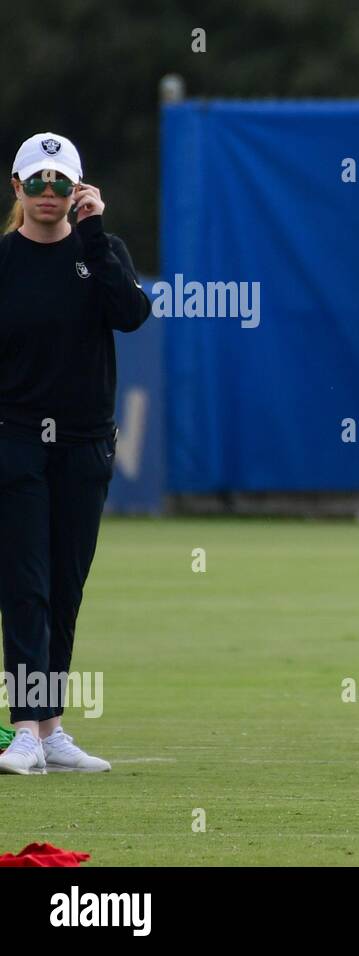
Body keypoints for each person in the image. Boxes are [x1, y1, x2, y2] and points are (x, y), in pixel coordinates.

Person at [0, 132, 151, 773]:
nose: (48, 194)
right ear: (17, 188)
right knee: (25, 587)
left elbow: (132, 313)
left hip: (86, 445)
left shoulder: (100, 252)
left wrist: (95, 234)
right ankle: (25, 731)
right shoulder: (4, 261)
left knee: (65, 588)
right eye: (36, 182)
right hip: (15, 442)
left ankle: (52, 727)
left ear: (79, 190)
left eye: (61, 183)